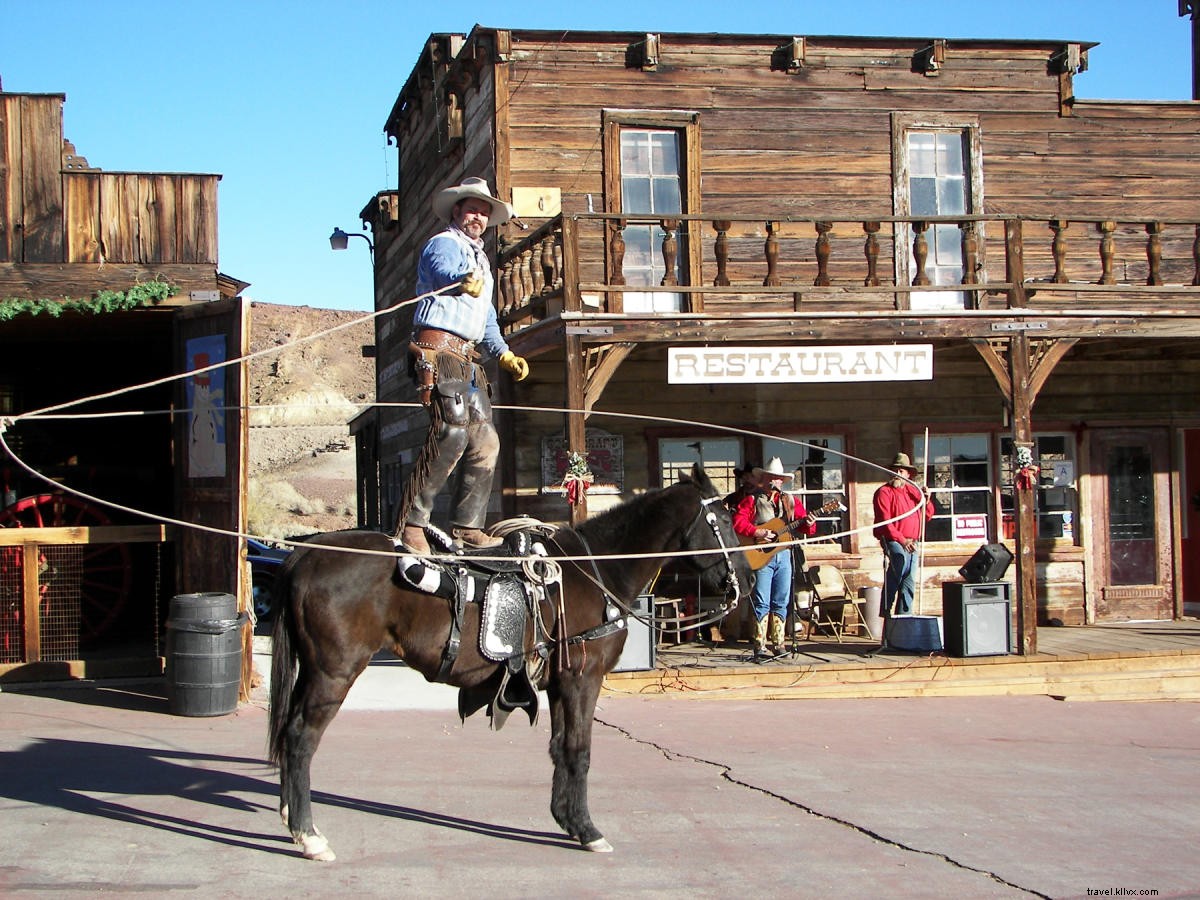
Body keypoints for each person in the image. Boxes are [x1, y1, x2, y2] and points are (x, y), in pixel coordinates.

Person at [398, 177, 530, 554]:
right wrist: (460, 280)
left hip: (468, 359)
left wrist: (502, 351)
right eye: (472, 208)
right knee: (451, 434)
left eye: (484, 211)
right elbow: (442, 271)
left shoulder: (482, 261)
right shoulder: (445, 244)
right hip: (438, 351)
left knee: (486, 441)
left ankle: (468, 527)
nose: (478, 216)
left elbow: (484, 313)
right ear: (457, 211)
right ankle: (411, 522)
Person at [732, 457, 816, 660]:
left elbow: (806, 527)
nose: (775, 482)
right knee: (762, 600)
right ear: (764, 479)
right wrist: (758, 533)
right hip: (762, 556)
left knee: (781, 600)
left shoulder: (791, 502)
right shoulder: (752, 500)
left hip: (784, 555)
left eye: (778, 479)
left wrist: (811, 522)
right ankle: (760, 644)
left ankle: (779, 643)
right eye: (771, 478)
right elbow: (737, 522)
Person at [872, 451, 935, 617]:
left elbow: (927, 516)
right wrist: (902, 540)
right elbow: (885, 522)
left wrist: (927, 500)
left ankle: (905, 617)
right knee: (898, 564)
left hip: (913, 541)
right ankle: (886, 608)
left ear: (908, 474)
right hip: (893, 539)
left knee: (909, 580)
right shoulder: (884, 492)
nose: (897, 474)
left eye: (901, 471)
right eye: (895, 470)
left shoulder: (914, 492)